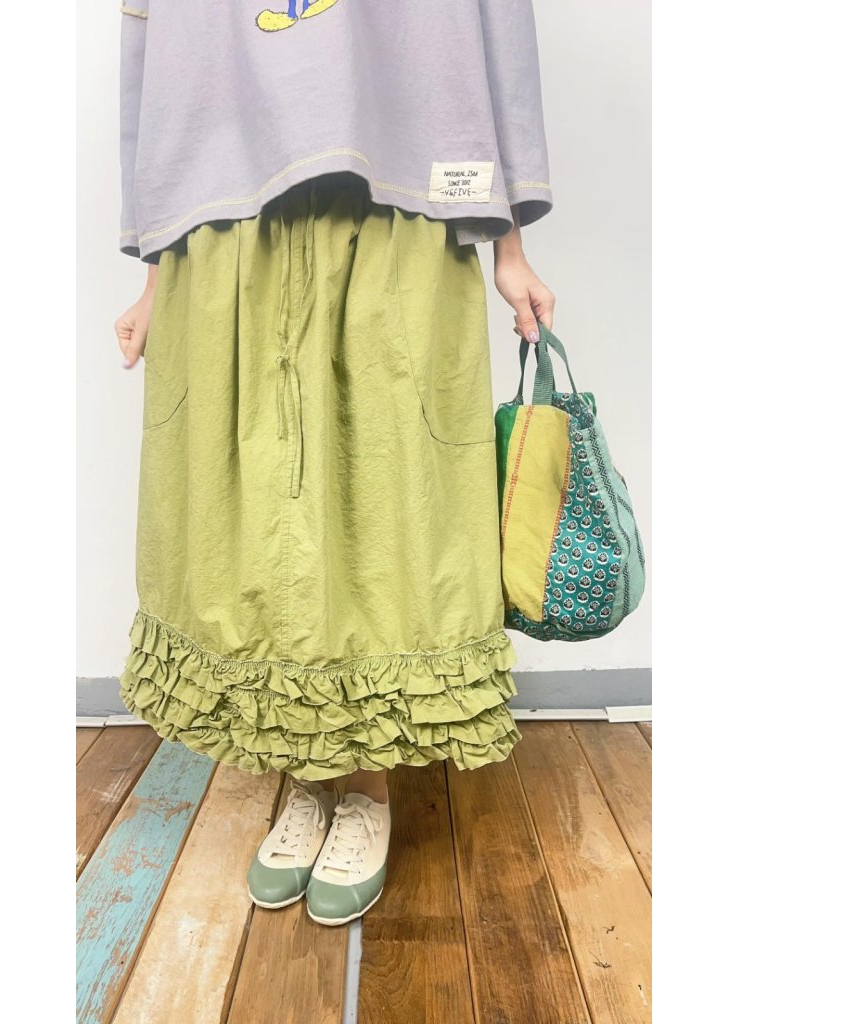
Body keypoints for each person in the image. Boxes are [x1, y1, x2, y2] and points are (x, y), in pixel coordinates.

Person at [111, 0, 555, 927]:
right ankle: (309, 778)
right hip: (224, 214)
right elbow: (154, 41)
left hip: (396, 190)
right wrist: (154, 269)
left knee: (387, 498)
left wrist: (510, 242)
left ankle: (368, 789)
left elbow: (494, 19)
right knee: (256, 518)